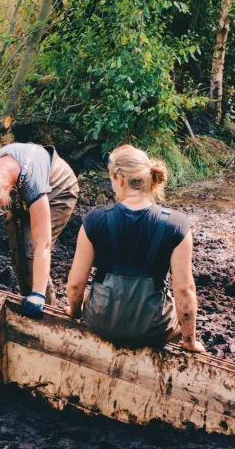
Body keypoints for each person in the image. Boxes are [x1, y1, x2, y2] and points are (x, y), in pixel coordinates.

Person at [65, 145, 205, 352]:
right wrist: (189, 341)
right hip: (154, 328)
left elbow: (76, 284)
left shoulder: (93, 221)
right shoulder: (177, 225)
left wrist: (74, 312)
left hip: (100, 321)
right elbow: (184, 289)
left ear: (119, 179)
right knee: (173, 316)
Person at [0, 143, 79, 317]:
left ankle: (48, 312)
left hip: (58, 187)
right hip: (20, 185)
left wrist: (38, 294)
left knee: (31, 252)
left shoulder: (32, 184)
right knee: (17, 249)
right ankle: (26, 300)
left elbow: (43, 243)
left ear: (5, 192)